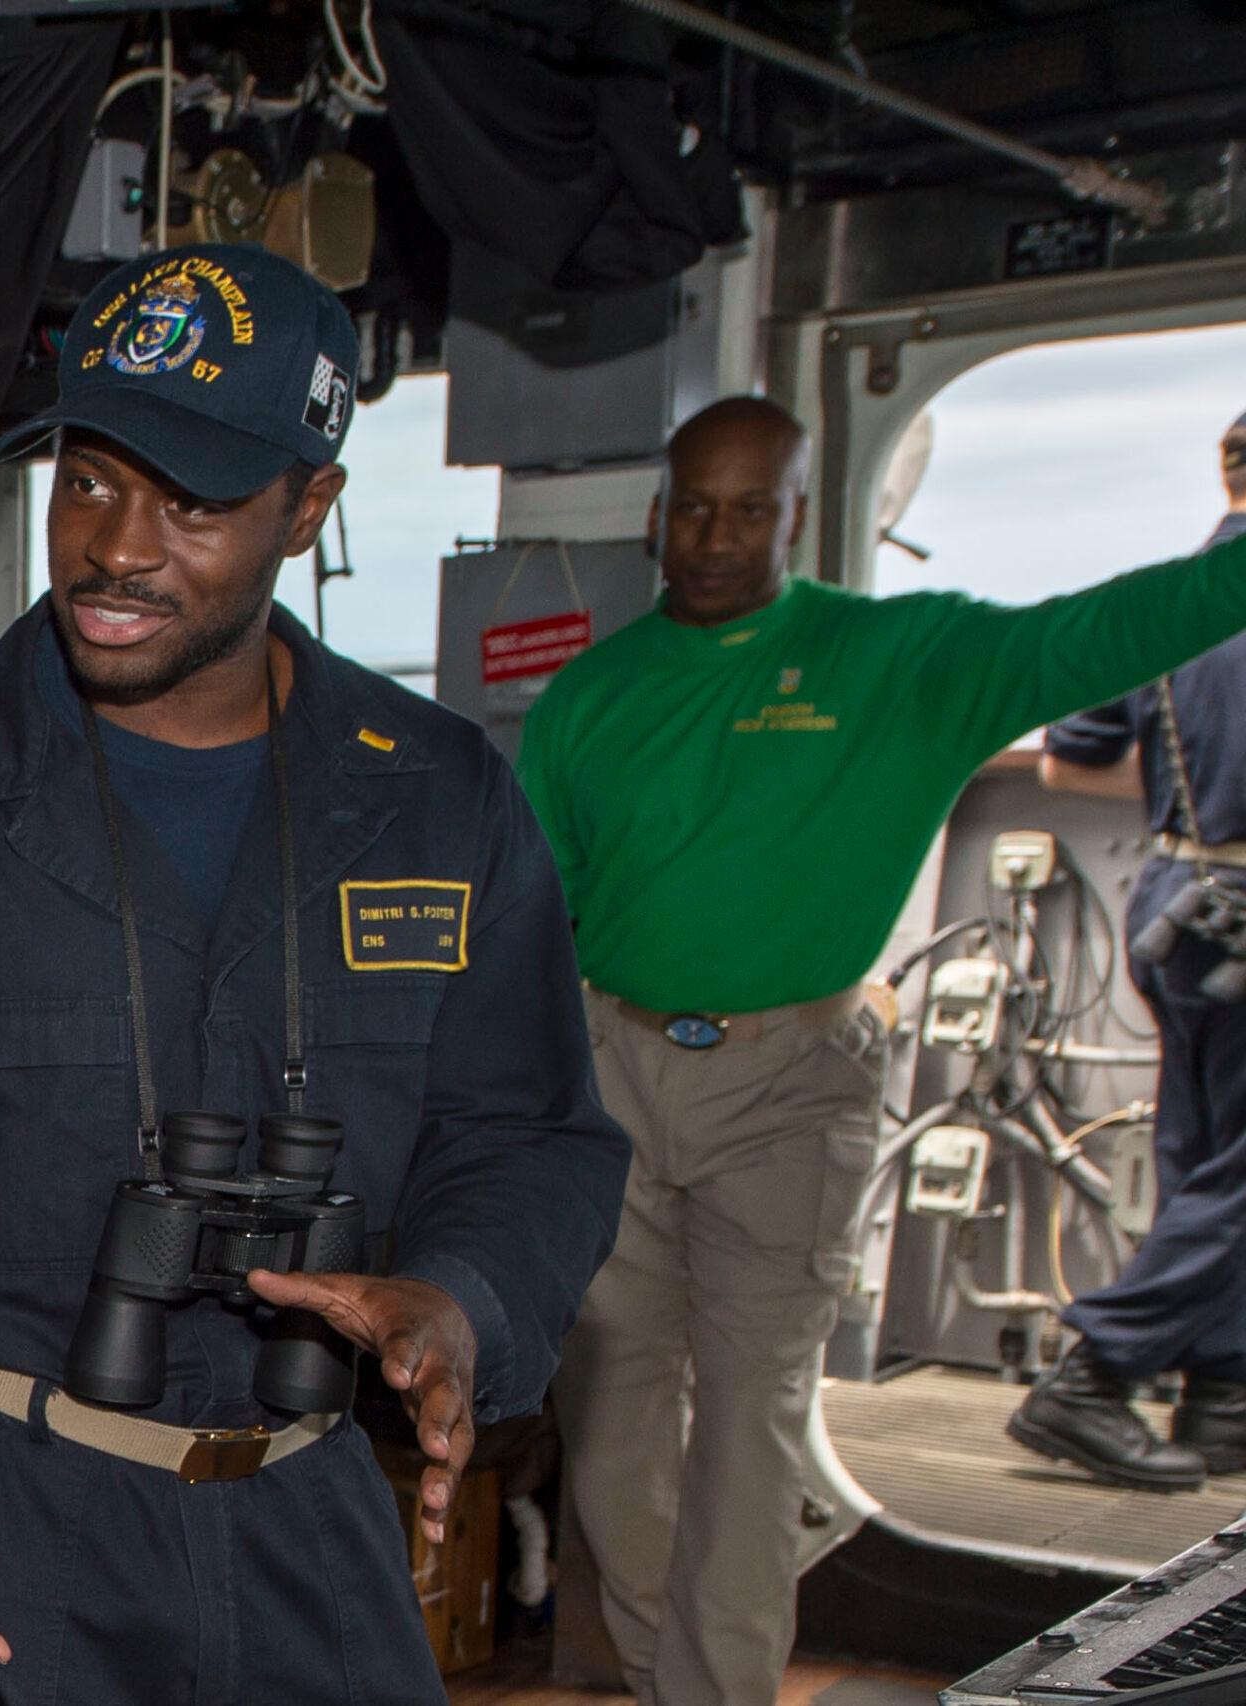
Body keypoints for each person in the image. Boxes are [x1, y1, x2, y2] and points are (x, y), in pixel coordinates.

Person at [0, 243, 631, 1703]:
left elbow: (529, 1134)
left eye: (190, 501)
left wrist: (463, 1304)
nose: (117, 547)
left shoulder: (440, 798)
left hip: (314, 1529)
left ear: (310, 506)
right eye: (88, 480)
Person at [520, 396, 1246, 1705]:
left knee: (750, 1416)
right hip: (610, 1062)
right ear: (655, 517)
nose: (718, 535)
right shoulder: (594, 693)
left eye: (751, 509)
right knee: (613, 1416)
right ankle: (643, 1668)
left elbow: (1118, 626)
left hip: (793, 1081)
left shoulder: (905, 658)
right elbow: (540, 909)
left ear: (796, 515)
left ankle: (714, 1693)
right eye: (695, 507)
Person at [1010, 409, 1246, 1487]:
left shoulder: (1168, 599)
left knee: (1199, 1149)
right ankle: (1094, 1370)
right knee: (1230, 1173)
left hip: (1174, 892)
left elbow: (1067, 763)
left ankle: (1220, 1395)